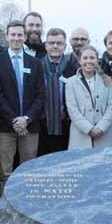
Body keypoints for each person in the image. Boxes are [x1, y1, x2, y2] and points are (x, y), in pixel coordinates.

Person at [0, 21, 45, 197]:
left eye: (20, 34)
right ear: (7, 37)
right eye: (12, 34)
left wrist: (26, 119)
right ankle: (6, 217)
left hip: (30, 126)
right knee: (6, 173)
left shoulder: (35, 63)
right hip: (5, 127)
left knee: (28, 173)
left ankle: (26, 217)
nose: (16, 38)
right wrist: (14, 120)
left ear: (25, 37)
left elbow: (40, 96)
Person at [65, 45, 112, 149]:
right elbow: (72, 109)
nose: (89, 61)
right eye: (85, 58)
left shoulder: (107, 80)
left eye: (92, 58)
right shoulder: (71, 82)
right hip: (80, 135)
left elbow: (111, 105)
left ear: (97, 60)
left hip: (104, 133)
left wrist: (101, 127)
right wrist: (89, 129)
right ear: (79, 61)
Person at [37, 28, 72, 156]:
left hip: (66, 126)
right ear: (46, 45)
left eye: (59, 43)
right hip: (41, 126)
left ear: (65, 46)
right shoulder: (37, 66)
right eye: (51, 43)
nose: (55, 46)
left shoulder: (73, 67)